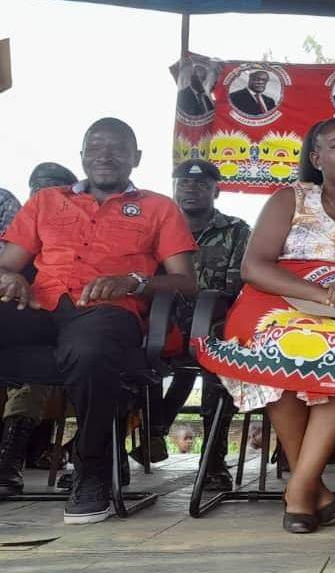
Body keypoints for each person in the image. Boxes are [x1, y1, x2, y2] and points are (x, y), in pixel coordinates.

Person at [195, 118, 335, 533]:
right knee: (280, 345)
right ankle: (313, 492)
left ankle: (300, 488)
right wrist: (319, 294)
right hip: (277, 296)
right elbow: (254, 267)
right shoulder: (289, 198)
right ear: (316, 158)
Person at [0, 118, 196, 523]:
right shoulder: (46, 201)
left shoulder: (159, 207)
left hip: (108, 310)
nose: (105, 156)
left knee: (89, 351)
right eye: (95, 147)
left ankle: (91, 470)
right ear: (82, 155)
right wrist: (10, 277)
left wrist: (134, 281)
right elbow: (7, 265)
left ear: (136, 157)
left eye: (117, 148)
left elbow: (186, 281)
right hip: (40, 306)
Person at [138, 159, 250, 492]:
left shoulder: (236, 230)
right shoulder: (157, 227)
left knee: (219, 356)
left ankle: (213, 460)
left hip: (216, 320)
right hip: (163, 320)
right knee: (125, 350)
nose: (192, 190)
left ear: (216, 191)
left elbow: (237, 288)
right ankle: (112, 455)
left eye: (201, 184)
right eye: (184, 183)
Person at [0, 162, 77, 496]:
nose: (43, 199)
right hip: (24, 333)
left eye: (53, 192)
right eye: (37, 192)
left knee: (47, 371)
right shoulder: (18, 246)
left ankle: (10, 460)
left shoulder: (79, 238)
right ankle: (12, 459)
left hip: (71, 333)